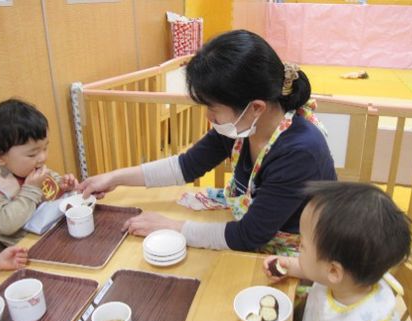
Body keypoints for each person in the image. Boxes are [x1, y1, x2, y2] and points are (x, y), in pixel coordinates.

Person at [79, 29, 337, 252]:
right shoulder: (244, 126)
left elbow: (248, 236)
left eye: (212, 108)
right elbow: (185, 166)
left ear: (255, 107)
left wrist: (171, 227)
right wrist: (114, 178)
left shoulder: (299, 152)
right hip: (251, 233)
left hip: (299, 256)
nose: (208, 117)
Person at [263, 182, 412, 321]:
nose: (298, 247)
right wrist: (289, 266)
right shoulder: (348, 276)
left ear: (334, 271)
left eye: (303, 245)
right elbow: (317, 271)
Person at [0, 99, 78, 246]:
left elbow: (51, 188)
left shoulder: (31, 169)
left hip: (50, 231)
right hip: (21, 247)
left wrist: (62, 186)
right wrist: (31, 189)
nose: (43, 157)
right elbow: (6, 225)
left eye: (45, 148)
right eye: (32, 154)